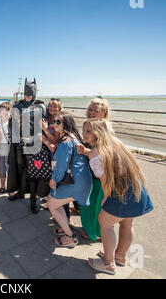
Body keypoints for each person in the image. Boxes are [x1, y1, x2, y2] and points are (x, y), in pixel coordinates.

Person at [77, 119, 154, 275]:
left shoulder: (95, 153)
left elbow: (104, 179)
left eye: (88, 131)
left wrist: (106, 200)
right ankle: (119, 257)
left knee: (105, 223)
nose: (83, 134)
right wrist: (86, 151)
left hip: (119, 195)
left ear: (99, 133)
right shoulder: (116, 143)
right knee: (127, 224)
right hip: (137, 190)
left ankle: (108, 263)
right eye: (83, 130)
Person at [46, 111, 93, 248]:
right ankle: (64, 225)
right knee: (52, 200)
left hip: (75, 182)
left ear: (66, 123)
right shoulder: (73, 137)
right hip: (80, 180)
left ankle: (70, 236)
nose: (55, 124)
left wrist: (53, 180)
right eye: (54, 121)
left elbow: (61, 166)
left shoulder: (65, 142)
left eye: (58, 122)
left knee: (51, 204)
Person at [7, 78, 49, 214]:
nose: (28, 95)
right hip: (19, 144)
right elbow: (11, 124)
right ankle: (20, 192)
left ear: (35, 92)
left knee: (33, 173)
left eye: (31, 92)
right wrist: (14, 140)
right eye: (26, 92)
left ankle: (33, 200)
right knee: (20, 169)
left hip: (34, 146)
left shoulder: (41, 106)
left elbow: (44, 127)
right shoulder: (17, 105)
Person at [77, 98, 113, 241]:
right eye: (90, 109)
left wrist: (86, 151)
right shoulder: (89, 125)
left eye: (95, 111)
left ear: (104, 114)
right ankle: (91, 229)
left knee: (96, 205)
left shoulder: (105, 129)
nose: (91, 113)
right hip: (90, 172)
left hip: (99, 176)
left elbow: (103, 152)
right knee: (88, 204)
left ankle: (95, 233)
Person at [0, 102, 12, 195]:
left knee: (9, 170)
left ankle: (10, 188)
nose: (4, 111)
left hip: (9, 150)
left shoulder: (12, 122)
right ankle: (2, 187)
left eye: (6, 109)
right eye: (2, 109)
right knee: (1, 170)